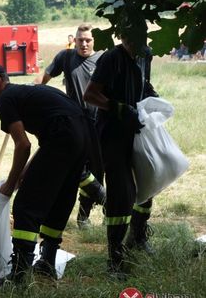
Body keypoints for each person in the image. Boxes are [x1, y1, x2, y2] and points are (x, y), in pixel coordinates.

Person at [0, 63, 89, 280]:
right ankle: (47, 262)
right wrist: (27, 170)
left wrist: (11, 184)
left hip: (63, 135)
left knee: (26, 205)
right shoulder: (24, 92)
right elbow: (45, 141)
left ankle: (19, 273)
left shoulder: (5, 99)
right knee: (60, 200)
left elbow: (23, 145)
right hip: (81, 134)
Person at [83, 23, 159, 278]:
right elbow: (90, 95)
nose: (137, 43)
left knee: (147, 185)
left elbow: (142, 84)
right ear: (122, 36)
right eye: (132, 37)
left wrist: (152, 97)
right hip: (112, 137)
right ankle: (114, 260)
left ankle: (138, 238)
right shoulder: (111, 58)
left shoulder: (145, 55)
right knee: (122, 195)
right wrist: (117, 108)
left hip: (137, 132)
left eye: (141, 37)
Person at [34, 23, 106, 229]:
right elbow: (44, 77)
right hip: (73, 122)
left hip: (99, 123)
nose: (84, 44)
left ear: (94, 41)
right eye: (80, 40)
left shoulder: (103, 60)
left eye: (88, 40)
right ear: (74, 40)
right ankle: (103, 199)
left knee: (96, 171)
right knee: (78, 168)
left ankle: (84, 216)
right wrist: (29, 92)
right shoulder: (65, 58)